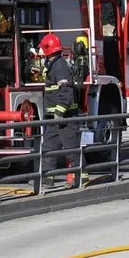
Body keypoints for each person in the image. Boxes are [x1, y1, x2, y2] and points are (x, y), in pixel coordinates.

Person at [37, 33, 80, 189]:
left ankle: (81, 177)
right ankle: (47, 179)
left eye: (42, 49)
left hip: (64, 117)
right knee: (49, 148)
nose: (40, 52)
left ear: (48, 49)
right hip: (55, 118)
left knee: (71, 147)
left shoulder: (60, 65)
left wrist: (59, 112)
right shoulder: (53, 64)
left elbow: (66, 91)